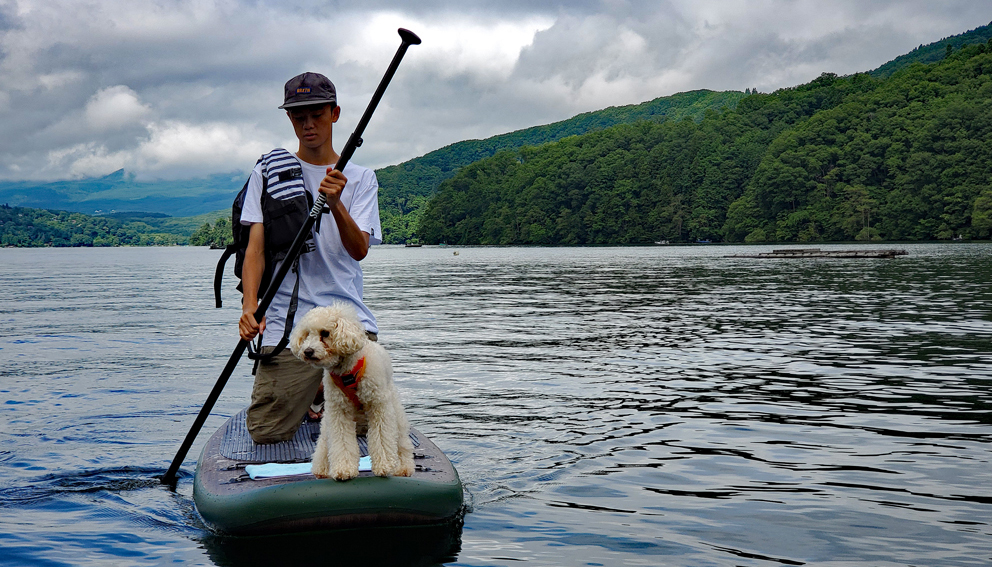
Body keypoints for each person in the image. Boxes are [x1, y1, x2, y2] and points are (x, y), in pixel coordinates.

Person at [238, 72, 382, 444]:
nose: (307, 124)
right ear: (289, 119)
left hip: (346, 322)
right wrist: (250, 306)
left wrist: (335, 203)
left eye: (316, 114)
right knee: (266, 433)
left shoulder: (362, 178)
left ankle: (321, 390)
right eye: (298, 115)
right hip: (290, 327)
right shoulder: (267, 173)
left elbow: (359, 250)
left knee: (366, 427)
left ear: (334, 114)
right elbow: (254, 247)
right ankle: (314, 393)